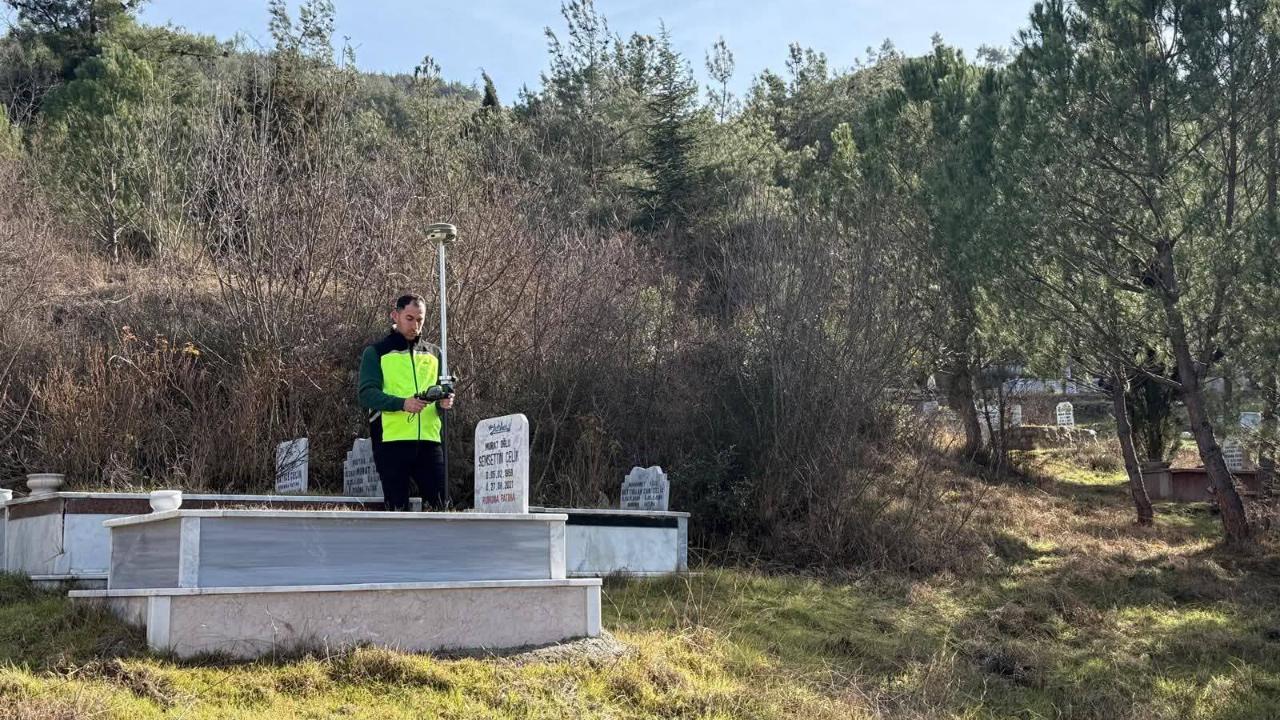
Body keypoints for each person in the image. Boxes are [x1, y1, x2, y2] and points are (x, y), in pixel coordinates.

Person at [358, 294, 455, 511]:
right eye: (409, 318)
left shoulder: (436, 354)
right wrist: (402, 403)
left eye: (420, 320)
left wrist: (444, 403)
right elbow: (366, 394)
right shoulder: (376, 352)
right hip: (391, 441)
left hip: (430, 441)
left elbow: (444, 393)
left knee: (442, 507)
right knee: (396, 508)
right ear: (395, 315)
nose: (415, 325)